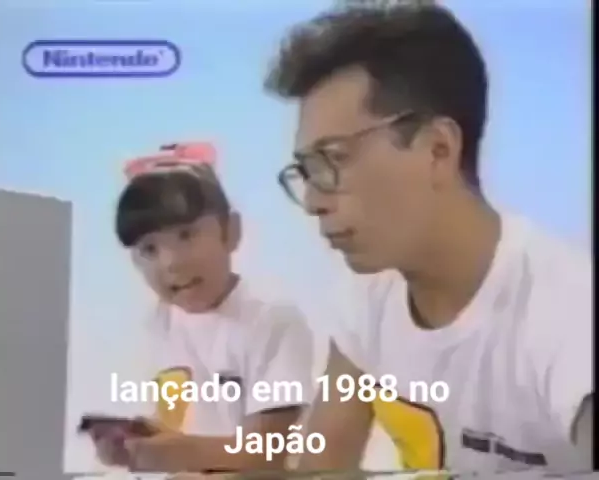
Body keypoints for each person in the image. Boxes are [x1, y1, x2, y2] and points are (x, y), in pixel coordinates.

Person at [264, 4, 592, 475]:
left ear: (438, 149)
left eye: (334, 159)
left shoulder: (567, 307)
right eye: (307, 170)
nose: (314, 201)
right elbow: (322, 469)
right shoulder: (368, 296)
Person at [86, 143, 314, 474]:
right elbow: (178, 427)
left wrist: (178, 453)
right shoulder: (158, 323)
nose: (171, 262)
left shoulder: (271, 320)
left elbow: (269, 450)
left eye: (187, 235)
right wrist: (132, 448)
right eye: (149, 249)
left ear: (230, 232)